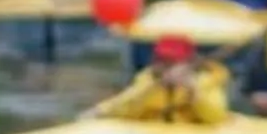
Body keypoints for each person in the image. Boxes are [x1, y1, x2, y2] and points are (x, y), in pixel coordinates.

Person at [87, 33, 230, 125]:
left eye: (172, 61)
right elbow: (124, 104)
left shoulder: (205, 82)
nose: (164, 65)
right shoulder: (147, 80)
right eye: (160, 59)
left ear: (188, 62)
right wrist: (100, 110)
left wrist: (193, 91)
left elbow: (215, 116)